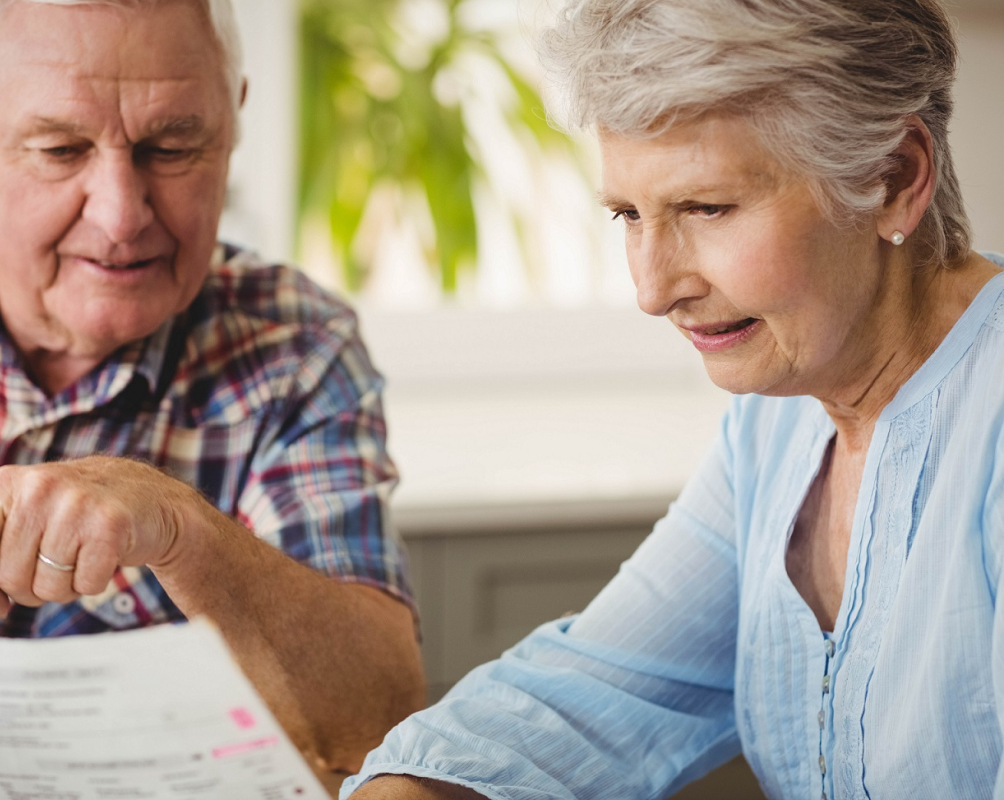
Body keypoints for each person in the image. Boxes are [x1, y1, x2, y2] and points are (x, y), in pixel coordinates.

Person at [342, 0, 1004, 798]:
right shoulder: (777, 418)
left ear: (894, 179)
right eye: (627, 214)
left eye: (706, 208)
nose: (653, 291)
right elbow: (596, 689)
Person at [0, 0, 424, 774]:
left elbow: (379, 718)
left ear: (231, 123)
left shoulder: (298, 351)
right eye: (61, 149)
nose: (123, 216)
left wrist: (180, 531)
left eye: (172, 146)